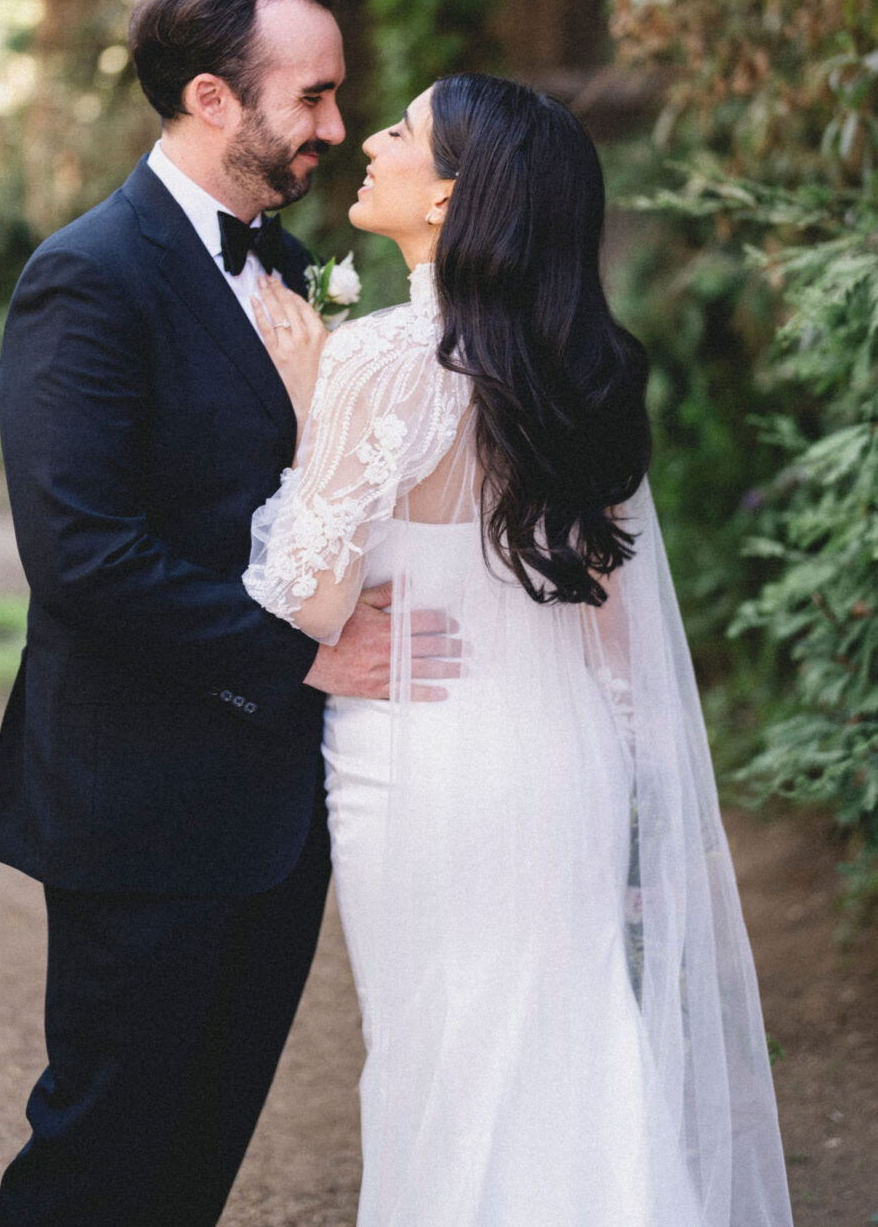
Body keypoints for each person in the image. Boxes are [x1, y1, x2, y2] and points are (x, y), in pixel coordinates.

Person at [243, 73, 795, 1227]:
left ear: (448, 199)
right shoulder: (578, 367)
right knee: (572, 1039)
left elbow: (304, 595)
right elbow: (609, 627)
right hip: (563, 756)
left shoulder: (373, 361)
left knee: (441, 1056)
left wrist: (311, 410)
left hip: (426, 755)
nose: (377, 141)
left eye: (402, 130)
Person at [0, 0, 457, 1227]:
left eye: (336, 95)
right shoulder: (88, 276)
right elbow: (80, 551)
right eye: (308, 97)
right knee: (100, 1146)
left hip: (275, 808)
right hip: (136, 798)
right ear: (209, 98)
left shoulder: (297, 268)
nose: (335, 126)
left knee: (201, 1146)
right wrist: (302, 656)